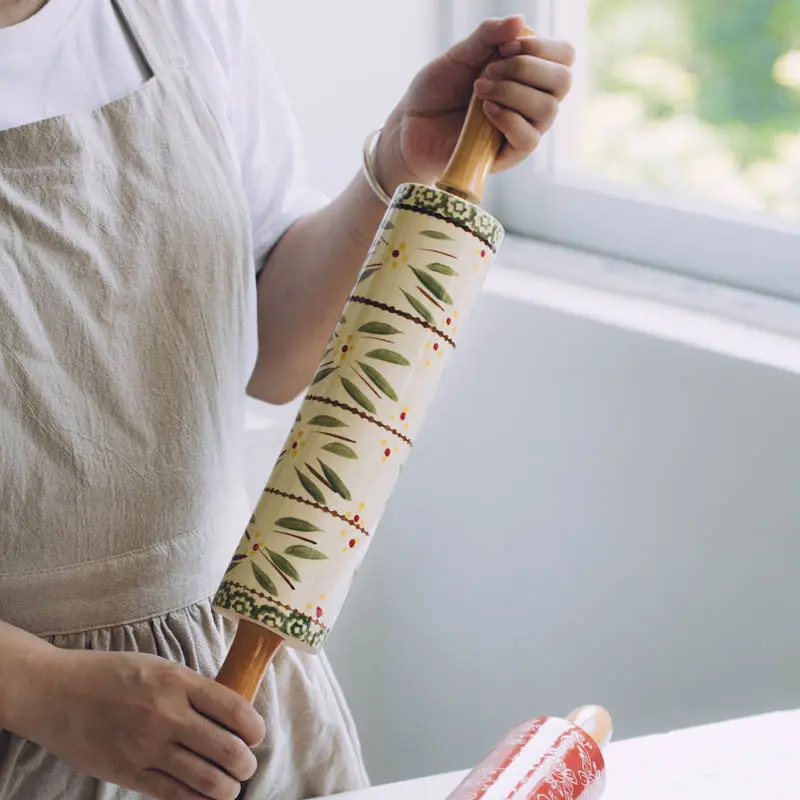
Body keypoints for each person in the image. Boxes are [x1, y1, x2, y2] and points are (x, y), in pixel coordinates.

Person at [0, 1, 575, 798]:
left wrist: (396, 165)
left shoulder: (182, 15)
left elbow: (268, 355)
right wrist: (41, 688)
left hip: (226, 700)